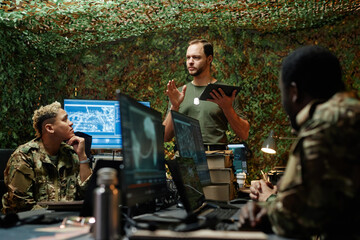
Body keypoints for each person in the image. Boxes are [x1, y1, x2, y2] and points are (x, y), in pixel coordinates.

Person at [238, 45, 360, 239]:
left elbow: (295, 219)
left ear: (294, 92)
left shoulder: (327, 123)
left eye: (283, 93)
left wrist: (268, 202)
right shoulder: (349, 111)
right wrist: (280, 195)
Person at [2, 101, 92, 214]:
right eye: (65, 120)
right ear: (49, 128)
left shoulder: (70, 153)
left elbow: (86, 194)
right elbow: (20, 205)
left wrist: (82, 156)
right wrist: (54, 218)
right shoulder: (24, 156)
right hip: (32, 224)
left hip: (65, 222)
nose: (71, 123)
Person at [163, 39, 250, 150]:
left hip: (216, 157)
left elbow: (244, 134)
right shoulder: (178, 93)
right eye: (188, 57)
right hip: (186, 158)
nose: (190, 61)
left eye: (196, 57)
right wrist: (175, 107)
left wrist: (227, 108)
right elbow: (165, 136)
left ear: (209, 59)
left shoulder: (224, 92)